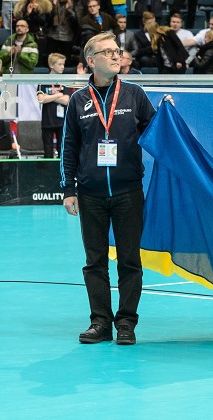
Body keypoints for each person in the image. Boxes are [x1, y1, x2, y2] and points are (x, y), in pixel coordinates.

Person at [61, 32, 157, 346]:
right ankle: (100, 323)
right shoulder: (78, 100)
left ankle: (126, 323)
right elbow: (69, 147)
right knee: (95, 261)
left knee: (130, 260)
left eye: (117, 51)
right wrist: (68, 189)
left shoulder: (135, 94)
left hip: (128, 192)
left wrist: (167, 116)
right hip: (90, 194)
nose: (116, 56)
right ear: (90, 61)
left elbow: (158, 135)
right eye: (108, 52)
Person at [36, 52, 71, 157]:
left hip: (62, 122)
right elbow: (41, 99)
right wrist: (58, 95)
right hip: (47, 121)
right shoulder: (43, 81)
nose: (62, 67)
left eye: (63, 64)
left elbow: (66, 100)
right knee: (48, 152)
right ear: (51, 65)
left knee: (62, 151)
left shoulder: (64, 81)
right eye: (60, 64)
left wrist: (49, 96)